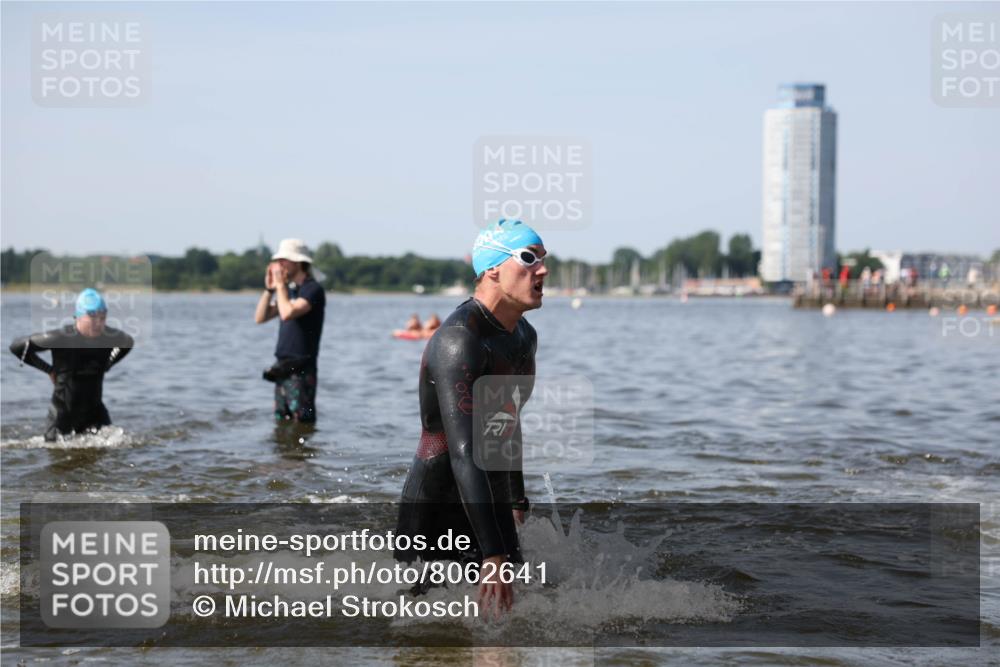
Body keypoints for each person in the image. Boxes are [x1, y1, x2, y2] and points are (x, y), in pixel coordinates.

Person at [395, 219, 547, 619]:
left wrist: (516, 499)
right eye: (529, 259)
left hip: (488, 495)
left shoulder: (522, 337)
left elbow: (506, 424)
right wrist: (493, 553)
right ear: (492, 269)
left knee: (508, 622)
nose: (543, 270)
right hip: (436, 506)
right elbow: (464, 451)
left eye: (544, 260)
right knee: (425, 632)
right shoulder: (459, 341)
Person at [8, 288, 133, 441]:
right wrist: (48, 369)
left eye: (103, 317)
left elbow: (128, 343)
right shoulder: (61, 338)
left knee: (113, 451)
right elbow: (17, 347)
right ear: (78, 316)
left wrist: (107, 364)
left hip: (95, 413)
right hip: (63, 415)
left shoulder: (109, 337)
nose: (99, 322)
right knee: (56, 456)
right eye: (93, 317)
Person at [255, 238, 326, 424]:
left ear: (297, 262)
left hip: (302, 369)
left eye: (283, 261)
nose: (279, 265)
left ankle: (302, 453)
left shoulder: (313, 289)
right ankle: (283, 453)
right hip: (282, 367)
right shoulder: (289, 291)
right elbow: (260, 317)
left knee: (302, 420)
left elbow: (287, 313)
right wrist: (269, 289)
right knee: (281, 421)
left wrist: (279, 286)